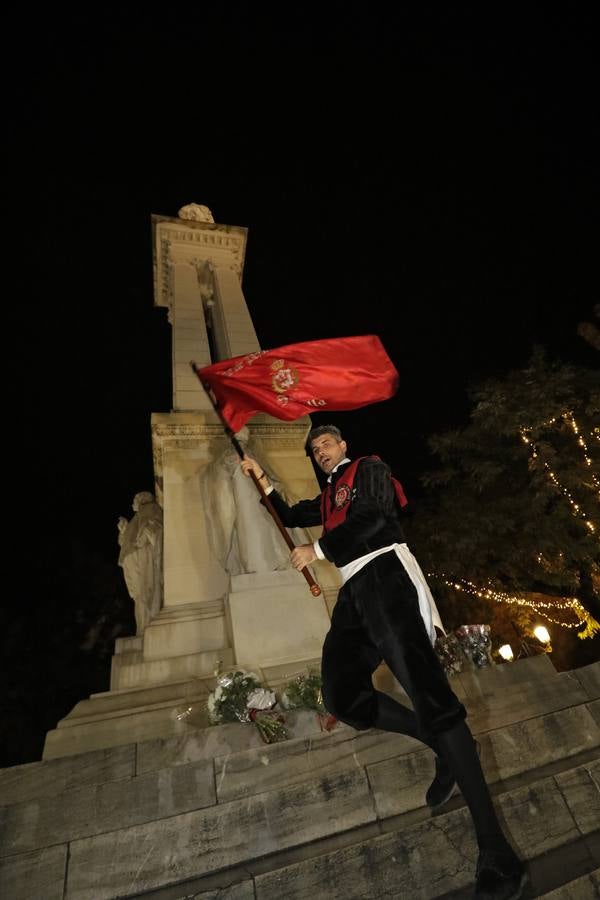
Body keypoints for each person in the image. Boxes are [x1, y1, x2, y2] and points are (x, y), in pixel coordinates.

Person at [241, 425, 526, 900]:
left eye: (326, 444)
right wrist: (261, 479)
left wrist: (318, 549)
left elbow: (374, 515)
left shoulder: (369, 468)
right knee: (342, 695)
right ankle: (442, 747)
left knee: (430, 696)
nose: (320, 452)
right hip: (354, 592)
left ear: (344, 446)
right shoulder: (329, 494)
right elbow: (290, 515)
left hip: (387, 574)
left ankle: (497, 852)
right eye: (314, 450)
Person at [117, 491, 163, 635]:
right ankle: (143, 628)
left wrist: (144, 536)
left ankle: (148, 627)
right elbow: (123, 542)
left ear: (143, 498)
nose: (134, 502)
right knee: (139, 596)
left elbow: (155, 526)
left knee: (145, 591)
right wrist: (124, 531)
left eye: (136, 498)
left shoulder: (150, 507)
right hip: (130, 557)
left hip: (142, 553)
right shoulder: (136, 517)